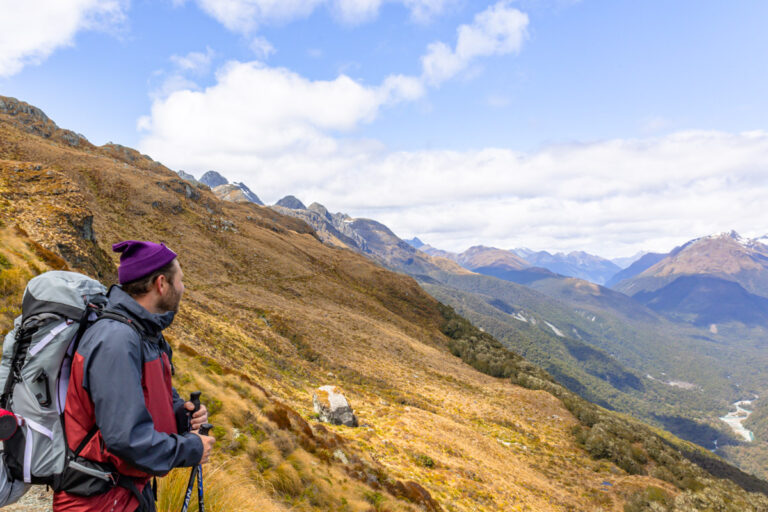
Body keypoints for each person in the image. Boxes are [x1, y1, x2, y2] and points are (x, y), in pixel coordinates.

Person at [53, 240, 215, 511]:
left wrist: (181, 413)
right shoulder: (117, 340)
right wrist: (191, 449)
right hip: (98, 500)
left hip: (125, 493)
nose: (183, 288)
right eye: (181, 281)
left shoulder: (146, 334)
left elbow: (145, 399)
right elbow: (125, 438)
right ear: (161, 284)